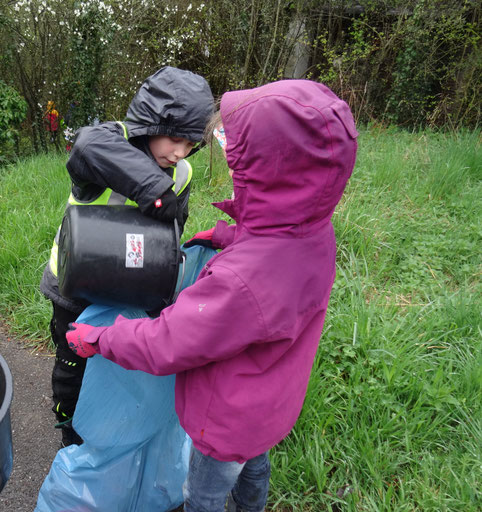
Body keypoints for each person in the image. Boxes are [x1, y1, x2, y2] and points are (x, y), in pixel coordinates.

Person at [65, 79, 358, 511]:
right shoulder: (316, 234)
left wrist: (104, 338)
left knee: (201, 494)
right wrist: (231, 233)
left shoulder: (242, 281)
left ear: (275, 171)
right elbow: (279, 239)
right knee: (254, 465)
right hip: (269, 408)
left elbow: (169, 341)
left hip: (224, 423)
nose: (232, 169)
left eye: (242, 163)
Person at [40, 66, 214, 447]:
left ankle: (112, 423)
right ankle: (67, 427)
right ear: (150, 123)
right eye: (173, 138)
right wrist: (154, 188)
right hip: (74, 283)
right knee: (74, 360)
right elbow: (85, 145)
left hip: (129, 285)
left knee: (116, 355)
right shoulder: (107, 141)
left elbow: (170, 233)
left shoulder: (180, 172)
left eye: (190, 143)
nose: (180, 152)